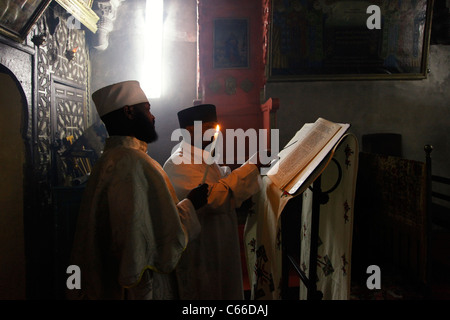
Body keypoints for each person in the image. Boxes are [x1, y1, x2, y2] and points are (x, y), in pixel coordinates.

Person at [68, 80, 208, 300]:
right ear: (129, 112)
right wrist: (191, 204)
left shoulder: (108, 161)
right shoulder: (135, 164)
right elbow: (156, 241)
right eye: (148, 109)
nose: (153, 117)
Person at [163, 104, 265, 299]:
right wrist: (251, 166)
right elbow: (214, 198)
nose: (214, 133)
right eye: (209, 127)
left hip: (220, 243)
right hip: (203, 251)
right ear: (189, 132)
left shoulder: (203, 156)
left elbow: (221, 180)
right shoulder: (179, 162)